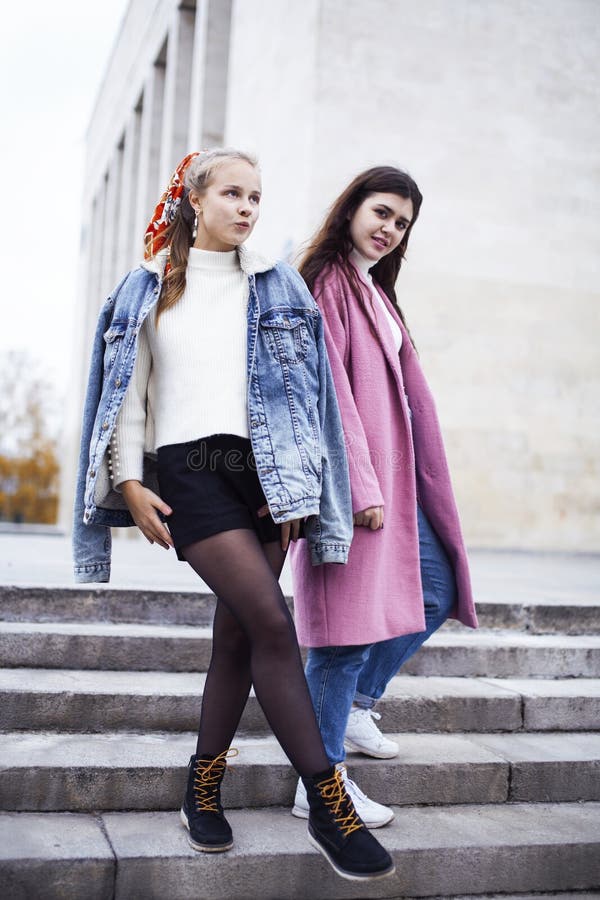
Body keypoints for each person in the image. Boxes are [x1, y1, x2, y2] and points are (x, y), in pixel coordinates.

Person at [72, 149, 396, 881]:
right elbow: (126, 395)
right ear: (194, 198)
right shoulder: (148, 286)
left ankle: (202, 787)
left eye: (257, 196)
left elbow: (312, 394)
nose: (248, 207)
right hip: (192, 476)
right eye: (233, 193)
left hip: (267, 475)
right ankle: (326, 801)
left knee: (239, 641)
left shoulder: (276, 284)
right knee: (273, 623)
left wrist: (302, 485)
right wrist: (127, 480)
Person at [288, 165, 479, 825]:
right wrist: (359, 487)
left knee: (437, 587)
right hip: (354, 490)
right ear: (350, 209)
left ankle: (362, 704)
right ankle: (319, 782)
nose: (389, 229)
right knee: (340, 636)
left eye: (401, 223)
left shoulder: (374, 290)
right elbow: (329, 395)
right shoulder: (326, 285)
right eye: (382, 212)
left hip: (402, 487)